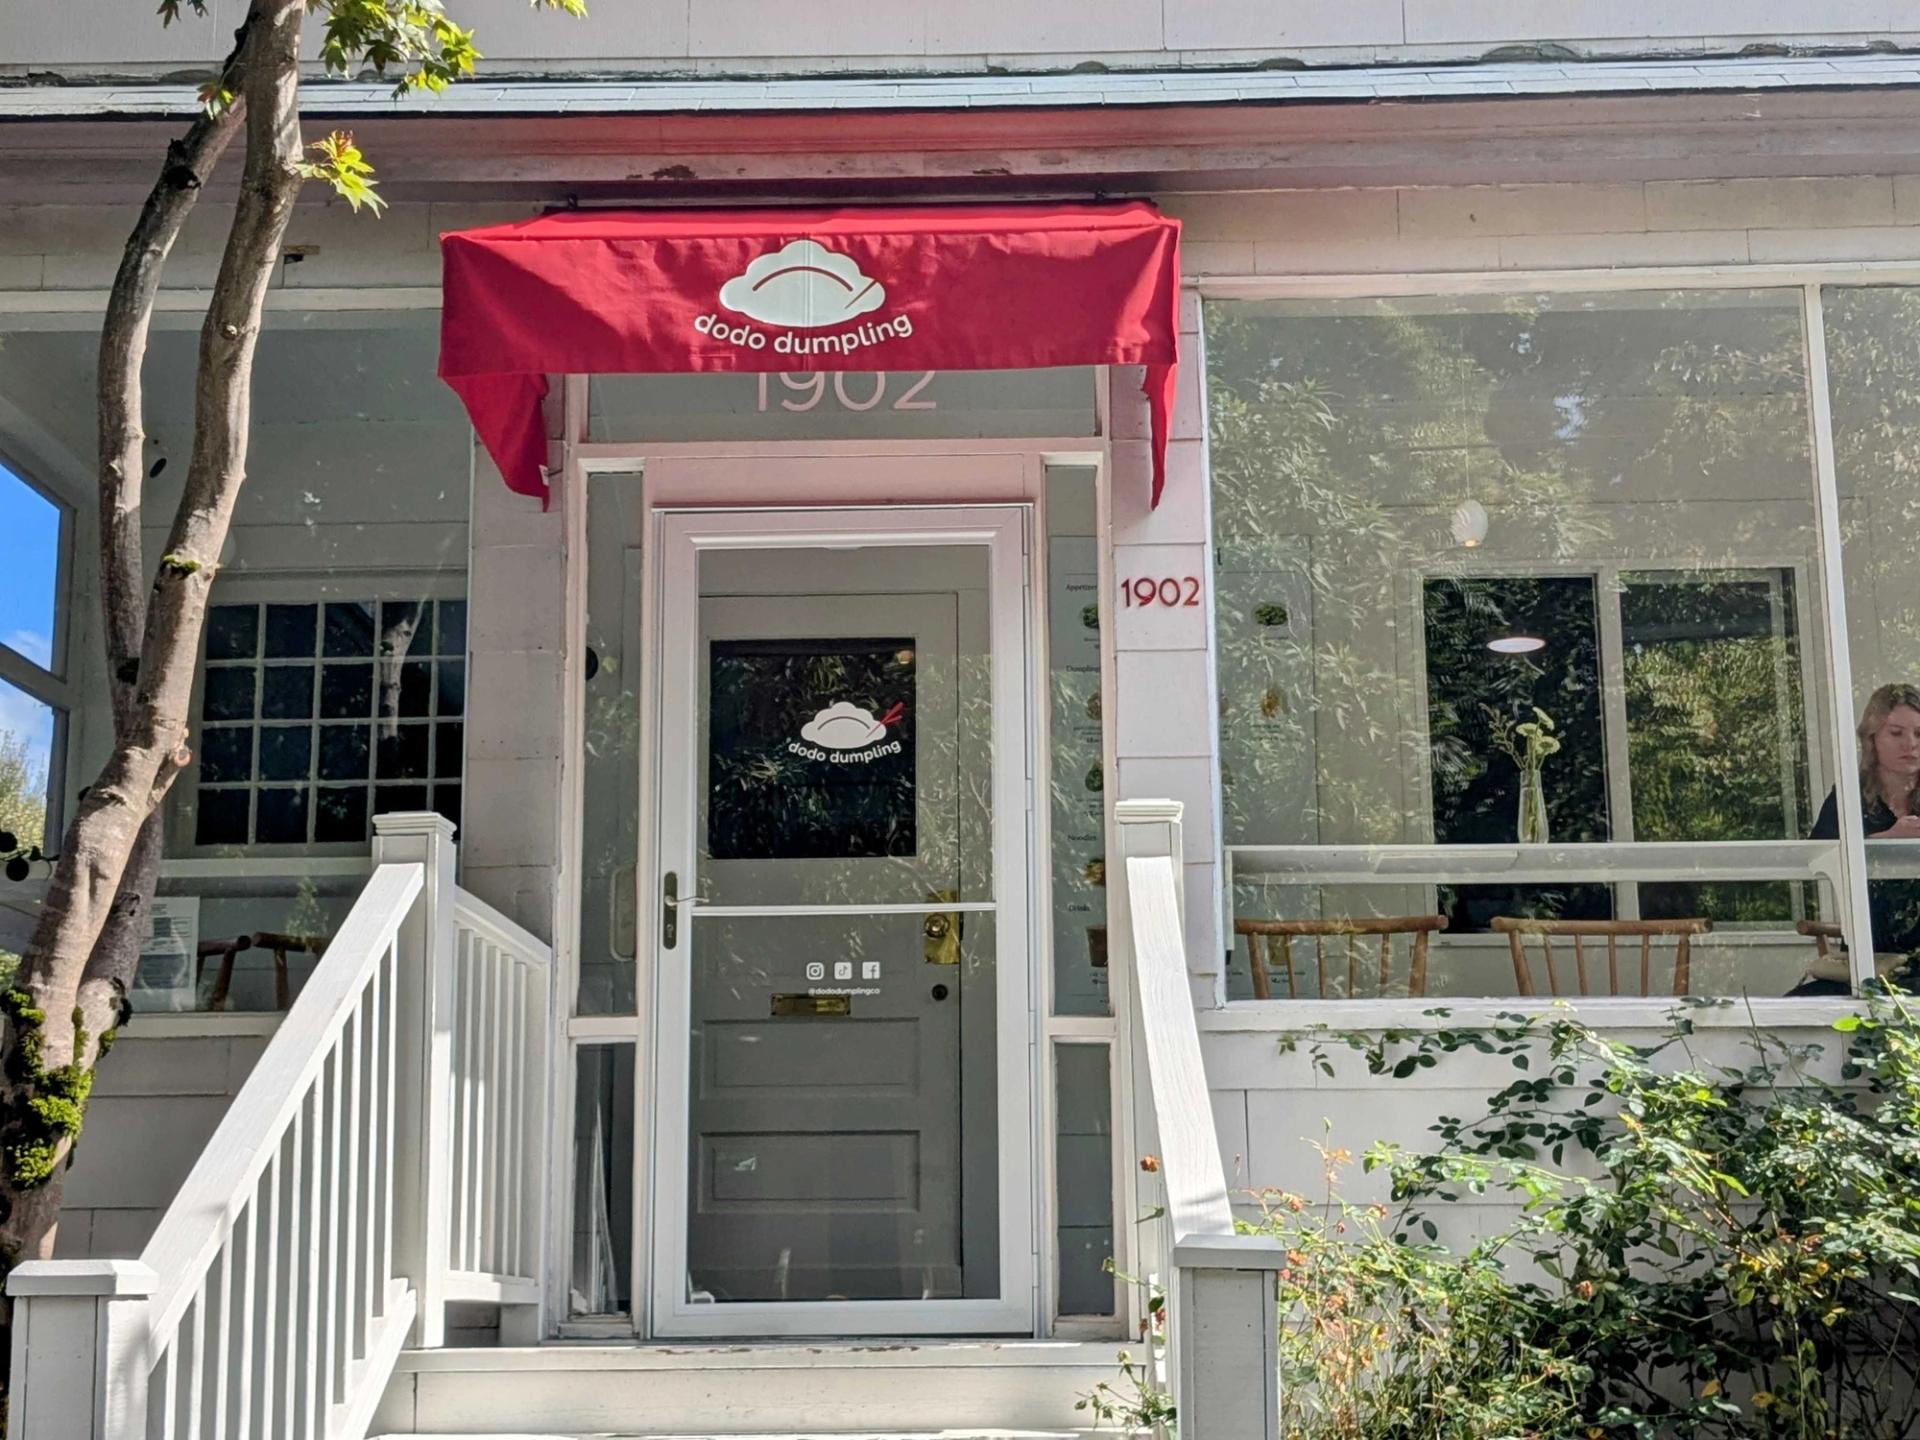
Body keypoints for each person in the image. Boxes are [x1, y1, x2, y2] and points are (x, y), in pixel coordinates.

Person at [1792, 682, 1920, 995]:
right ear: (1872, 738)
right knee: (1790, 1010)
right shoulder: (1850, 798)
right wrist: (1887, 840)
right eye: (1896, 733)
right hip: (1867, 959)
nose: (1911, 744)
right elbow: (1813, 858)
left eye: (1919, 733)